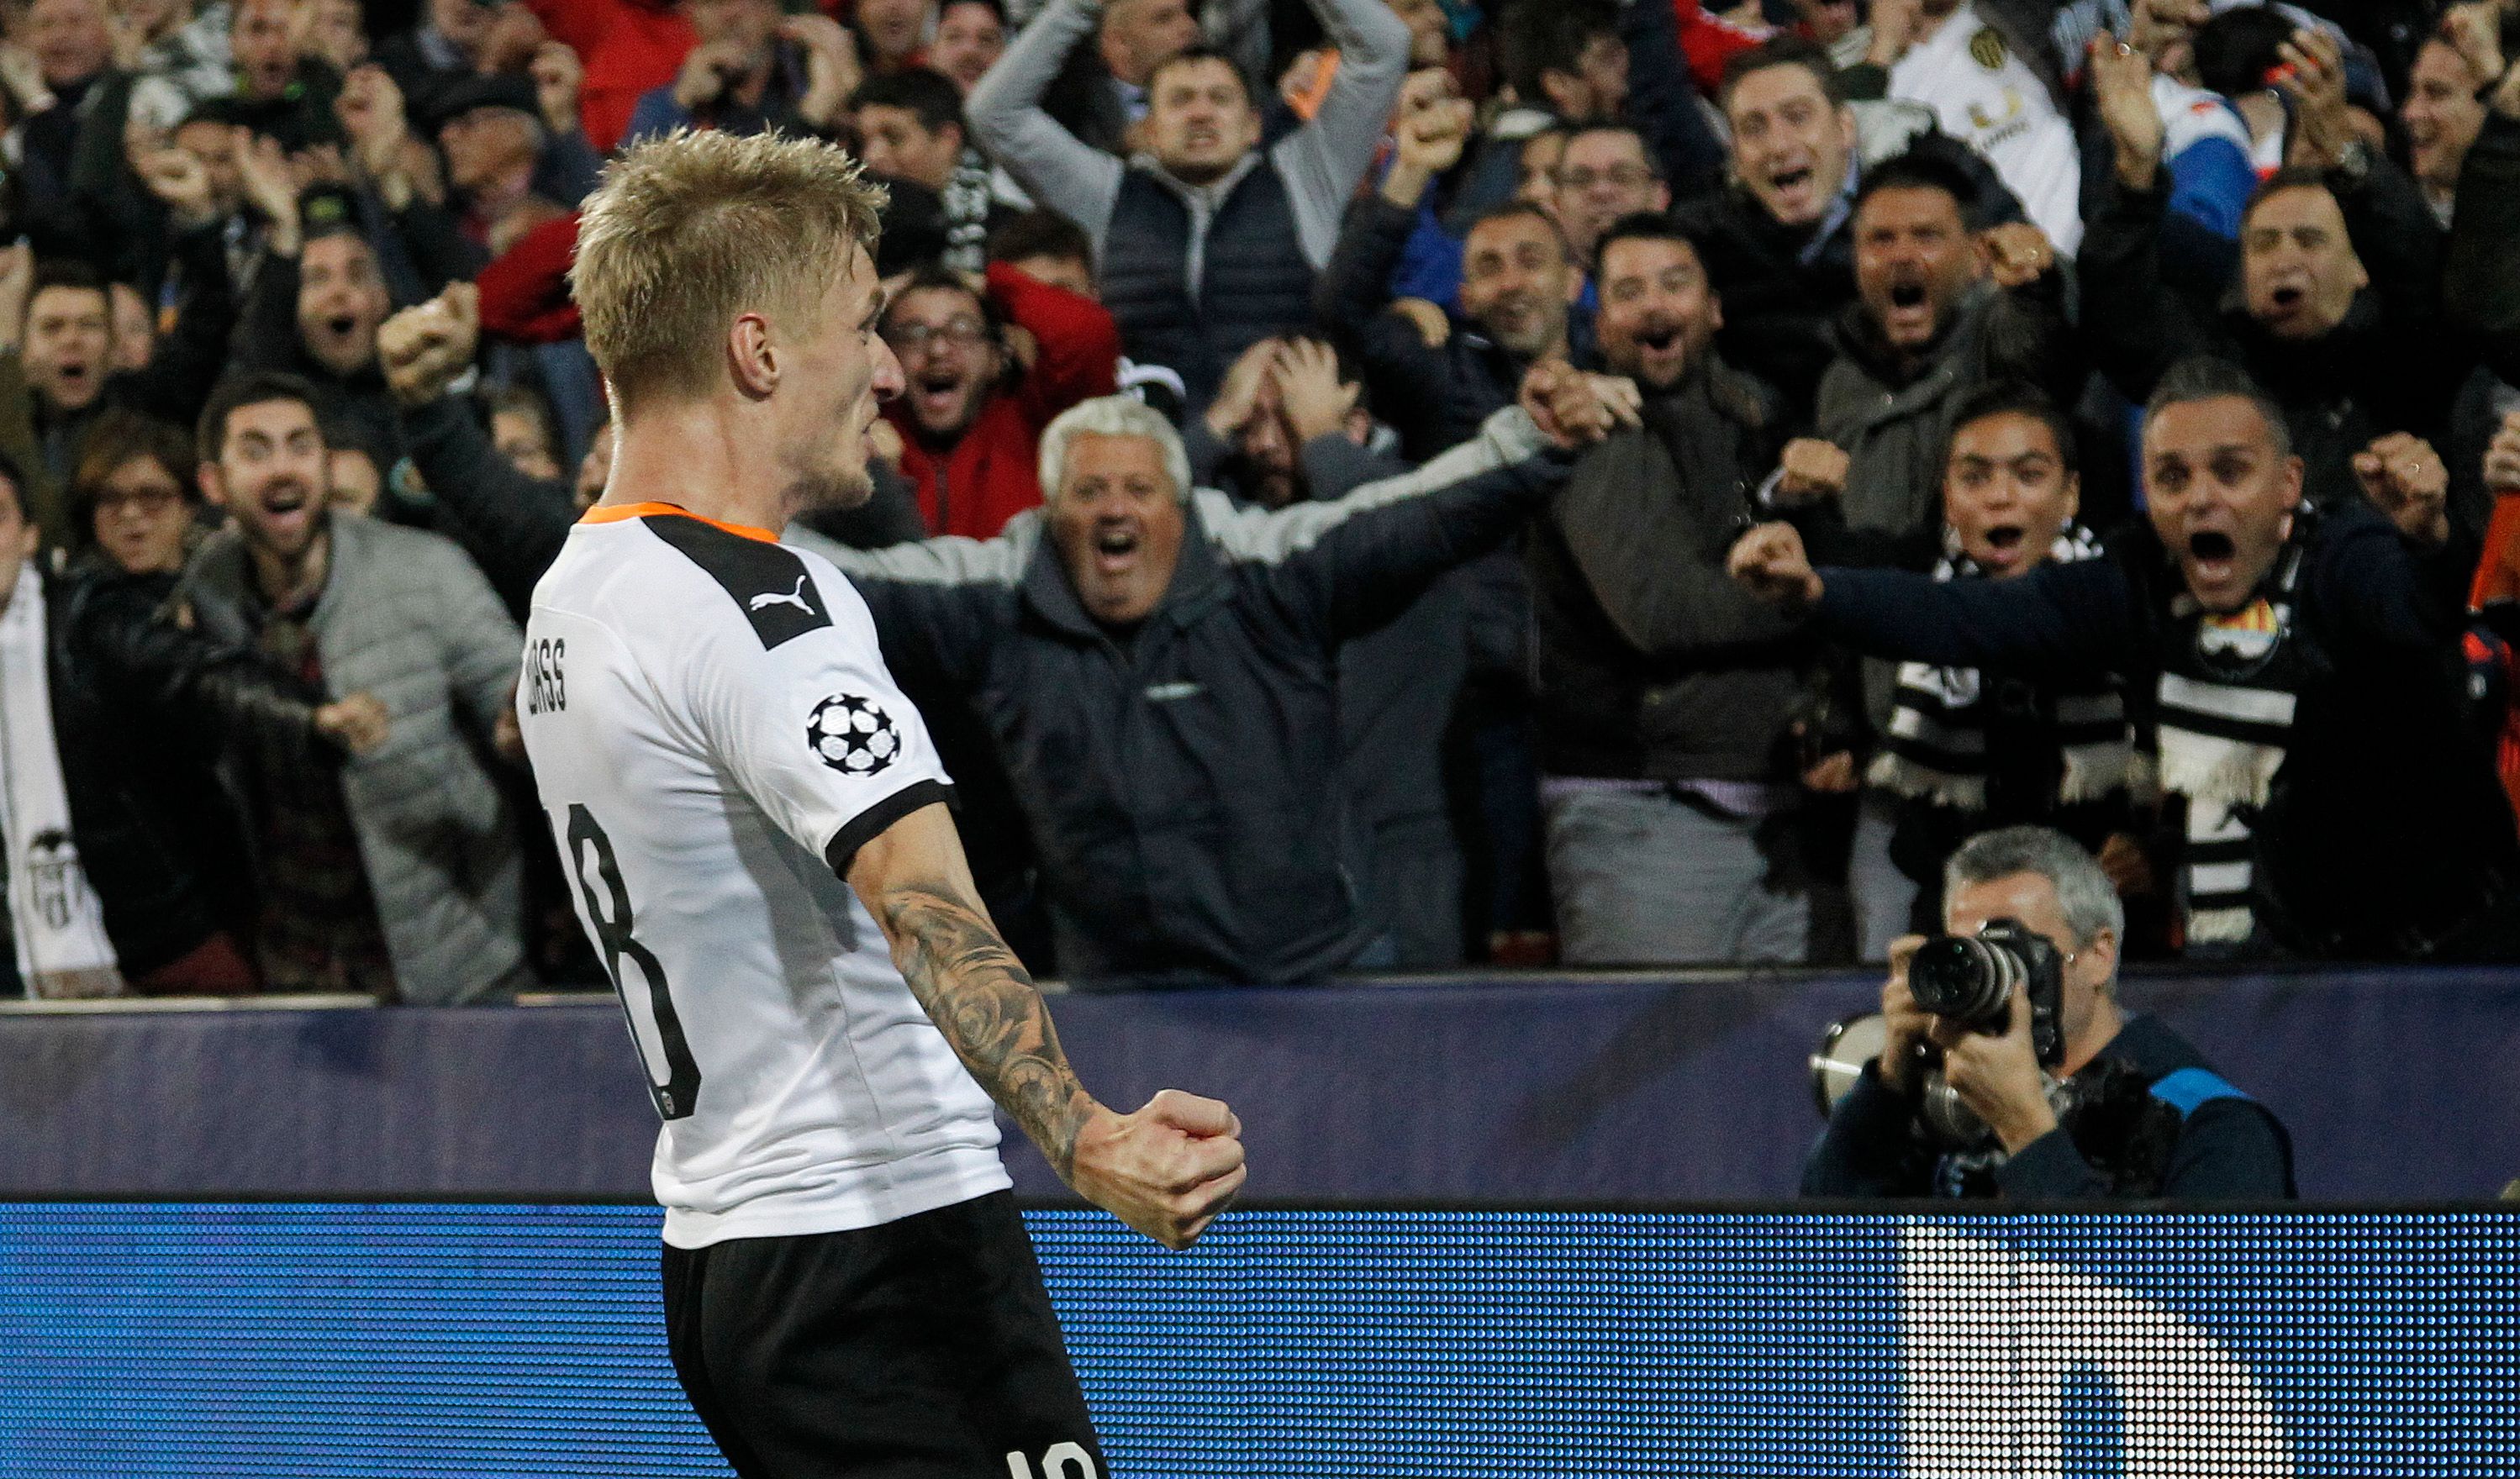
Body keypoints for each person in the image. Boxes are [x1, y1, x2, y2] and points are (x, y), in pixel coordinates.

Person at [522, 128, 1245, 1476]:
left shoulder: (579, 593)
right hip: (881, 1254)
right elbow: (918, 899)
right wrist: (1083, 1132)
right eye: (860, 323)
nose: (890, 368)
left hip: (731, 1261)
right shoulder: (757, 605)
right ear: (757, 352)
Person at [809, 374, 1592, 987]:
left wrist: (1532, 438)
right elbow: (824, 580)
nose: (1115, 509)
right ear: (1052, 513)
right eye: (1088, 492)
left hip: (1313, 972)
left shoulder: (1266, 575)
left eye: (1139, 490)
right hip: (1115, 988)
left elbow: (1416, 515)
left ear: (1180, 508)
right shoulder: (993, 600)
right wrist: (693, 512)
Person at [1732, 357, 2520, 960]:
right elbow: (1967, 616)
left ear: (2288, 486)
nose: (2200, 497)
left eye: (2231, 471)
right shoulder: (2136, 577)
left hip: (2441, 944)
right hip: (2260, 949)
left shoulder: (2344, 555)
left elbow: (2417, 617)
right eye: (2171, 477)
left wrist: (2430, 540)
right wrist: (1813, 590)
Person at [178, 370, 531, 1002]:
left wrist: (526, 725)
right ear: (214, 483)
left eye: (300, 445)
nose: (284, 468)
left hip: (453, 968)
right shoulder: (204, 593)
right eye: (256, 450)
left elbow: (514, 704)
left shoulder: (425, 571)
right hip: (296, 972)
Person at [1525, 212, 1811, 966]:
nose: (1655, 305)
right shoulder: (1588, 430)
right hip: (1644, 815)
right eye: (1629, 290)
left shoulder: (1762, 416)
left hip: (1784, 814)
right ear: (1600, 319)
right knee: (1657, 1072)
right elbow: (1663, 611)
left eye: (1674, 283)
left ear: (1713, 307)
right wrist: (1823, 598)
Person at [1802, 826, 2295, 1198]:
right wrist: (1891, 1082)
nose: (1989, 985)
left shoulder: (2211, 1125)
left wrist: (2026, 1131)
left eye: (2014, 953)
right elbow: (1832, 1264)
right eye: (1968, 959)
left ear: (2100, 954)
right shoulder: (1954, 1106)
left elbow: (2170, 1325)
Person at [967, 0, 1410, 410]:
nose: (1201, 113)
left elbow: (1386, 47)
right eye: (1180, 100)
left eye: (1219, 98)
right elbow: (993, 113)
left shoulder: (1307, 176)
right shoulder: (1106, 194)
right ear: (1150, 130)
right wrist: (1084, 5)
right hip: (1147, 449)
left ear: (1254, 125)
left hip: (1284, 441)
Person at [1315, 82, 1590, 461]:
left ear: (1573, 283)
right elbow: (1342, 310)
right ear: (1467, 298)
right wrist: (1411, 168)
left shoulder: (1615, 356)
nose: (1511, 283)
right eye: (1490, 268)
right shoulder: (1441, 371)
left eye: (1531, 262)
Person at [879, 260, 1120, 539]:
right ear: (888, 355)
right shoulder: (865, 434)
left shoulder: (1035, 424)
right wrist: (870, 297)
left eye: (962, 329)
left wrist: (990, 284)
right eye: (914, 334)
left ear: (996, 357)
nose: (938, 349)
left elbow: (1088, 334)